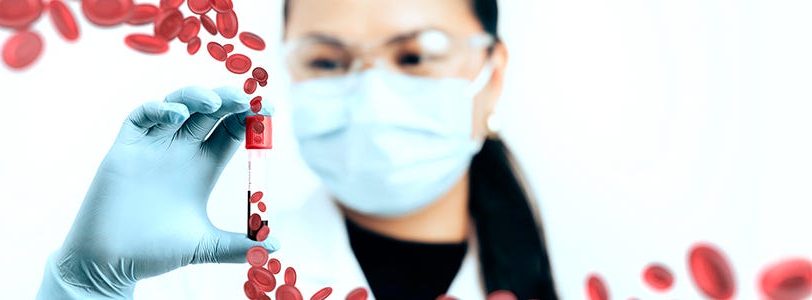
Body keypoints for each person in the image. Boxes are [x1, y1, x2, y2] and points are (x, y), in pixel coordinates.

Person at [37, 0, 558, 299]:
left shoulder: (584, 276)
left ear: (493, 73)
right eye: (328, 62)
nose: (372, 96)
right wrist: (83, 287)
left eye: (416, 55)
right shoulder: (206, 288)